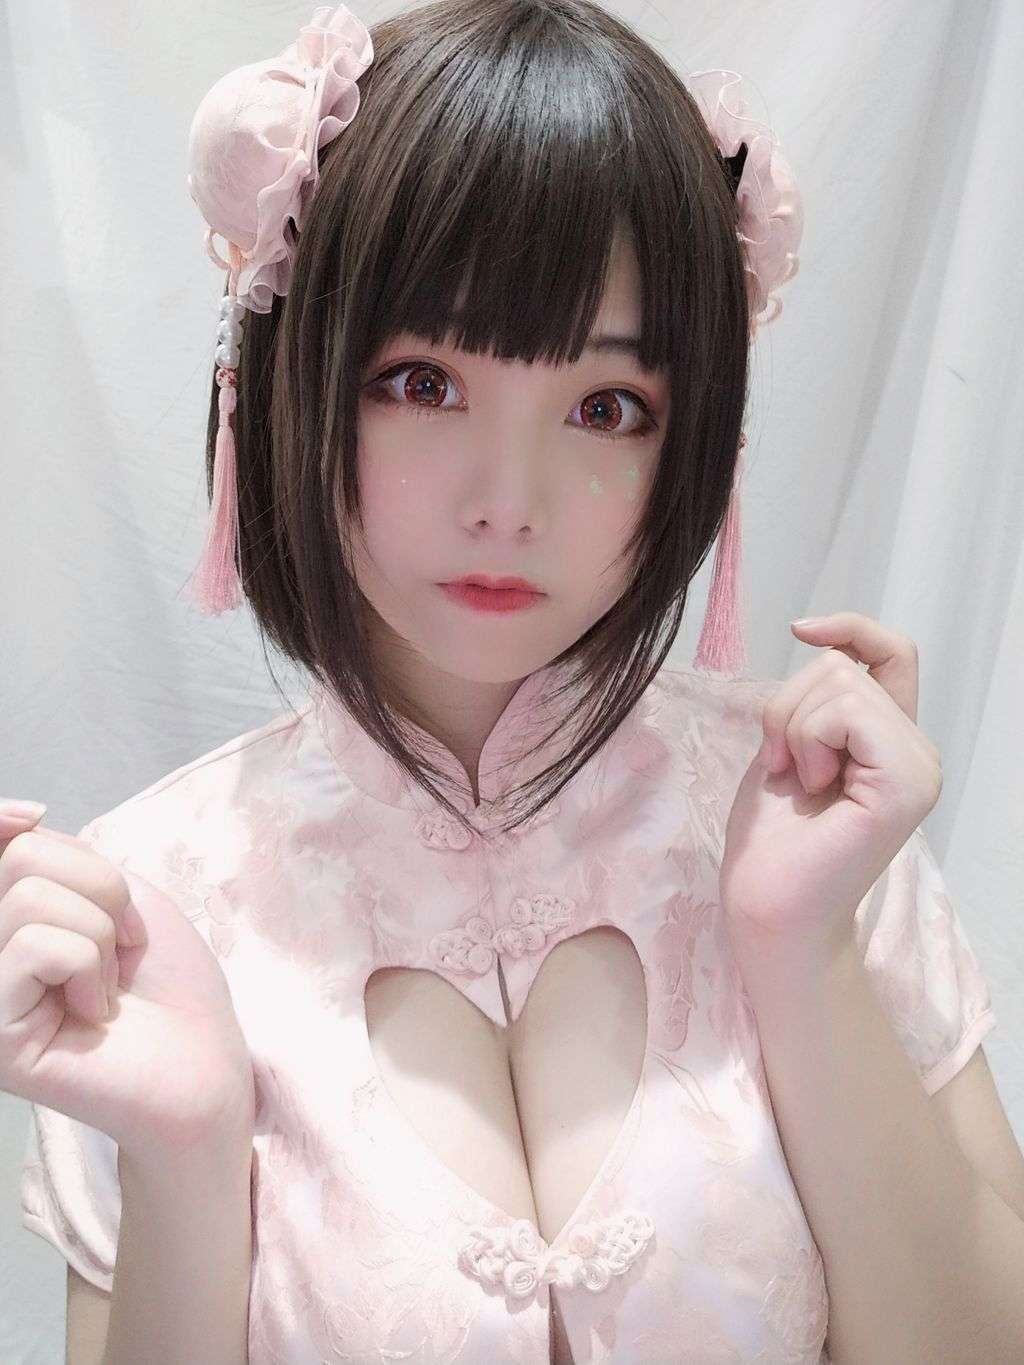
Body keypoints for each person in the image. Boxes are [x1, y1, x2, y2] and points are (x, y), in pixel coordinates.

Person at [5, 3, 998, 1363]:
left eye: (605, 407)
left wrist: (805, 951)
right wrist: (187, 1146)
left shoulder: (815, 825)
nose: (509, 501)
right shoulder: (151, 911)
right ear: (291, 384)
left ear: (689, 440)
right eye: (422, 381)